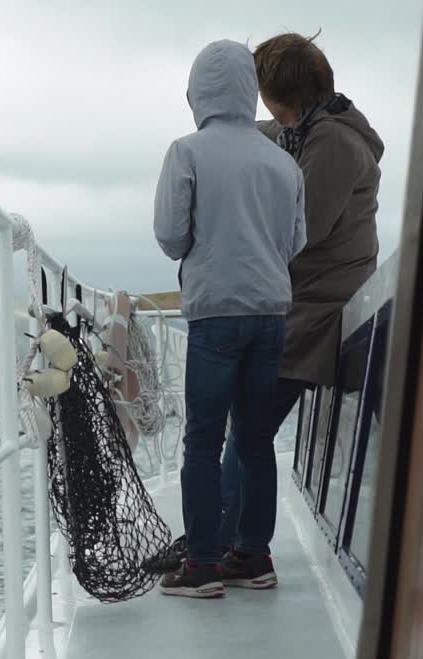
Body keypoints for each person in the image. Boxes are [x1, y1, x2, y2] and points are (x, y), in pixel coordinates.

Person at [218, 32, 384, 559]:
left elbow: (300, 230)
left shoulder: (332, 142)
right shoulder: (305, 130)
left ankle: (232, 546)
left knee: (249, 425)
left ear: (281, 94)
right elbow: (260, 135)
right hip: (298, 299)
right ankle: (228, 539)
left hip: (318, 307)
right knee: (246, 424)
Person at [153, 39, 307, 598]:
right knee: (254, 440)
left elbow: (171, 238)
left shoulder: (187, 152)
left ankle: (201, 564)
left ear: (199, 92)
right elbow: (296, 241)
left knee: (202, 441)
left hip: (215, 314)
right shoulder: (283, 161)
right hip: (270, 313)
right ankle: (253, 555)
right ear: (247, 90)